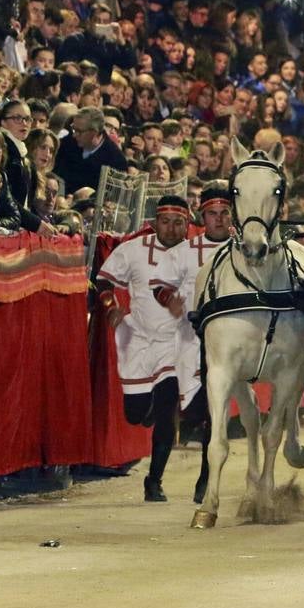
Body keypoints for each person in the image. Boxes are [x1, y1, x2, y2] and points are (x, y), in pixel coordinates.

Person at [94, 195, 194, 502]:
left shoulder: (197, 254)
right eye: (166, 222)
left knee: (167, 410)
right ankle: (146, 407)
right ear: (154, 223)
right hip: (138, 340)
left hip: (176, 342)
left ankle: (154, 480)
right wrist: (111, 307)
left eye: (179, 223)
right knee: (135, 414)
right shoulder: (133, 250)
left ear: (187, 225)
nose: (172, 229)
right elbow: (102, 281)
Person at [151, 183, 234, 503]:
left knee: (213, 413)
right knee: (166, 408)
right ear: (202, 216)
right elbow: (158, 284)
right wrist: (170, 301)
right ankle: (153, 480)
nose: (218, 219)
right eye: (212, 214)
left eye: (224, 213)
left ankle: (204, 480)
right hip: (181, 341)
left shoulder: (243, 249)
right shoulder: (184, 251)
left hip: (220, 347)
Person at [0, 99, 53, 235]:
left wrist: (41, 221)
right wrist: (36, 223)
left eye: (27, 119)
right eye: (17, 118)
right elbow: (7, 199)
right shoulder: (3, 150)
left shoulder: (21, 153)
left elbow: (26, 203)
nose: (24, 123)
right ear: (3, 122)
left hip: (15, 225)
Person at [54, 106, 127, 193]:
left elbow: (110, 197)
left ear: (94, 133)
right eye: (73, 129)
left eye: (79, 131)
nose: (74, 135)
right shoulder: (66, 143)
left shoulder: (116, 161)